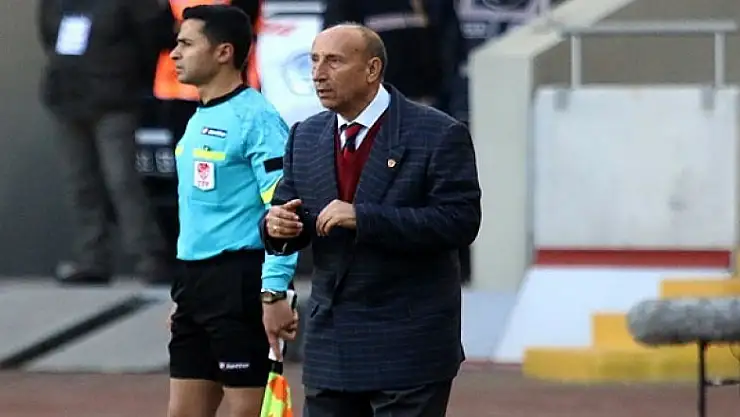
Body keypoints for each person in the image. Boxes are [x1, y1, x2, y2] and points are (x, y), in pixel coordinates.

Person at [261, 23, 481, 417]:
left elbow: (459, 222)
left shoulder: (437, 133)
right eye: (314, 60)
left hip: (408, 343)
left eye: (333, 61)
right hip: (332, 344)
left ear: (372, 69)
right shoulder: (305, 136)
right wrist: (276, 228)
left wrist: (364, 218)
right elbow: (287, 215)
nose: (318, 74)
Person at [166, 5, 298, 417]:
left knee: (247, 411)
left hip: (239, 281)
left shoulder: (256, 118)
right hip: (194, 282)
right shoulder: (199, 116)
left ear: (224, 52)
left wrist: (274, 292)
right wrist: (186, 291)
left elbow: (285, 209)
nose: (174, 54)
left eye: (186, 44)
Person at [37, 0, 170, 285]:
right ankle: (92, 258)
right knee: (81, 183)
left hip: (115, 98)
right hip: (67, 97)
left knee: (122, 180)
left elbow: (151, 37)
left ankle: (149, 257)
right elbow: (48, 35)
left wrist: (129, 75)